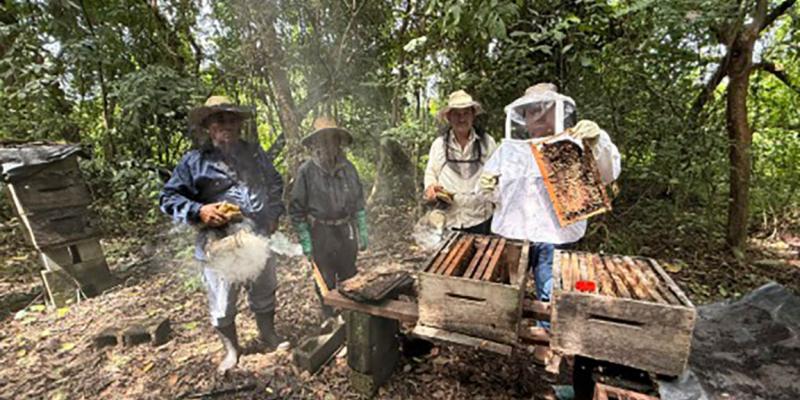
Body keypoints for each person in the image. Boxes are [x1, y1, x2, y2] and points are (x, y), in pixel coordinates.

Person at [160, 95, 286, 374]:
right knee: (223, 299)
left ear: (239, 124)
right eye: (218, 119)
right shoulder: (194, 162)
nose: (225, 124)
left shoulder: (254, 154)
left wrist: (275, 213)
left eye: (231, 119)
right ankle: (232, 350)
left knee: (264, 288)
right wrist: (200, 210)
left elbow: (275, 182)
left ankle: (269, 336)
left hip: (257, 235)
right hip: (218, 241)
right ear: (208, 126)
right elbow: (168, 197)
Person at [480, 82, 621, 325]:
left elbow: (608, 174)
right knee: (510, 290)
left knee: (551, 293)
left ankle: (546, 341)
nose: (538, 117)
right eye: (532, 112)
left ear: (558, 111)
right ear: (524, 118)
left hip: (555, 236)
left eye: (544, 110)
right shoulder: (508, 151)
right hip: (514, 236)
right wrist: (487, 188)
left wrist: (598, 142)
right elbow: (494, 196)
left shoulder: (572, 144)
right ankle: (509, 332)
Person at [290, 116, 368, 317]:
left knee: (350, 274)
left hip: (345, 230)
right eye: (322, 140)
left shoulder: (348, 168)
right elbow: (296, 209)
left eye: (332, 139)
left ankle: (351, 316)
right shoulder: (306, 171)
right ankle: (330, 317)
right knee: (325, 278)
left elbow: (359, 201)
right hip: (320, 232)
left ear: (338, 141)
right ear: (315, 143)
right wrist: (305, 240)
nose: (327, 144)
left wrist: (362, 229)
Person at [423, 89, 497, 234]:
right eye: (456, 114)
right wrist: (431, 188)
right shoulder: (439, 144)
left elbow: (496, 175)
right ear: (449, 117)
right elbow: (431, 173)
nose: (461, 118)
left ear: (473, 115)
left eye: (466, 113)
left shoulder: (487, 142)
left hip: (480, 218)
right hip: (449, 220)